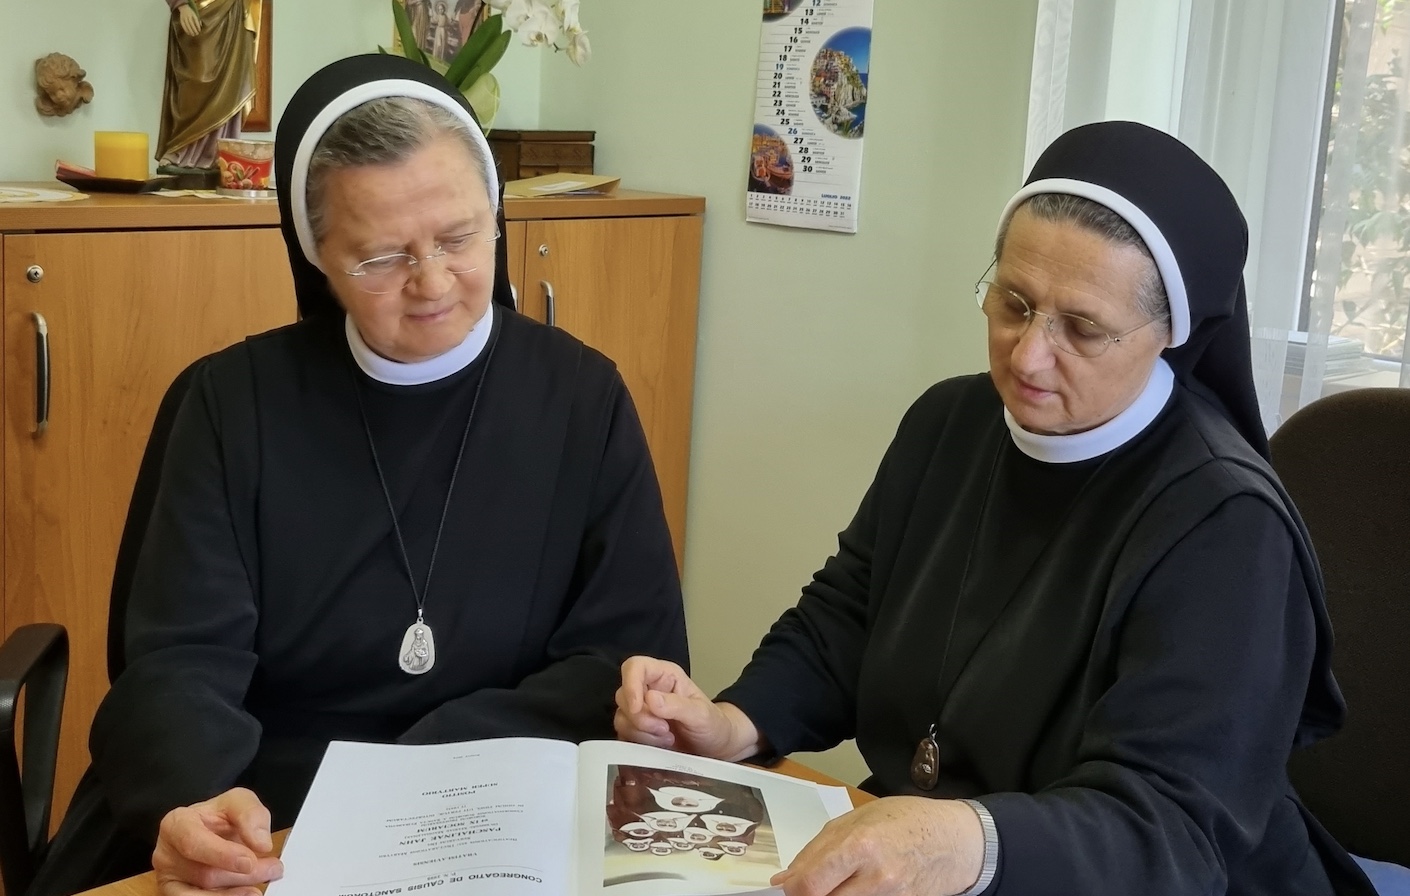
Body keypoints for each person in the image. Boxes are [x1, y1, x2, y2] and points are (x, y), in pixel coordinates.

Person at [617, 121, 1397, 895]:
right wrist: (735, 723)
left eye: (1082, 328)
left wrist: (967, 840)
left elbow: (1172, 827)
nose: (1027, 356)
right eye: (1014, 303)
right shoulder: (947, 424)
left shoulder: (1227, 525)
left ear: (1170, 333)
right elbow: (847, 620)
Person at [30, 53, 688, 896]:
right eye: (380, 257)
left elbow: (622, 656)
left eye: (459, 236)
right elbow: (178, 661)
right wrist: (197, 801)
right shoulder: (229, 403)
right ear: (319, 257)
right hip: (268, 811)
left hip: (499, 804)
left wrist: (418, 775)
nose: (433, 282)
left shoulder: (582, 397)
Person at [157, 0, 257, 170]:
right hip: (197, 9)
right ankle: (180, 147)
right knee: (195, 78)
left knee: (229, 80)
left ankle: (219, 150)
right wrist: (181, 5)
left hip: (230, 10)